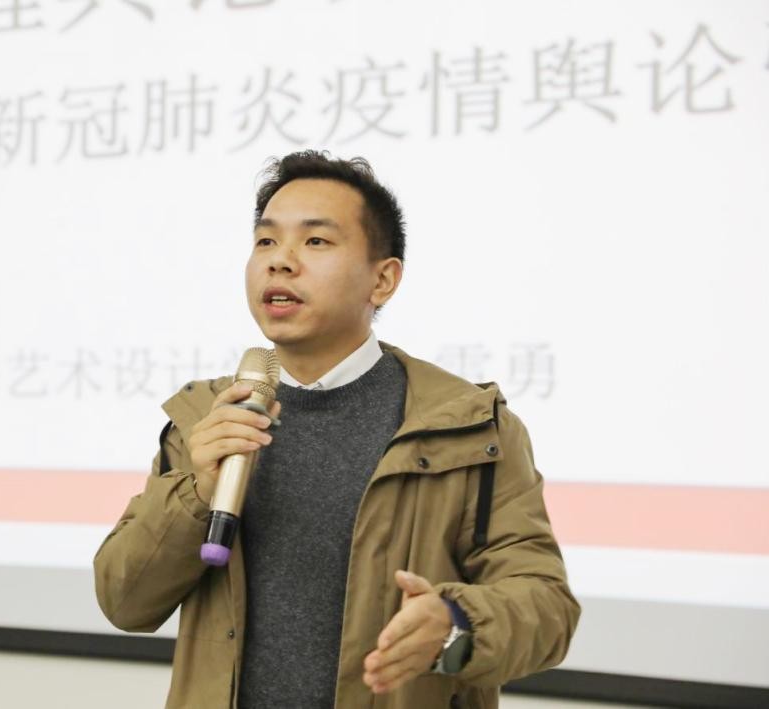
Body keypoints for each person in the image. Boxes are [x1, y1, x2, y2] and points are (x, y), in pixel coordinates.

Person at [94, 150, 580, 708]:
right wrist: (196, 494)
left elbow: (548, 609)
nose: (280, 261)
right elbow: (124, 601)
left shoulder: (467, 425)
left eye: (316, 241)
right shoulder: (207, 420)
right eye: (266, 241)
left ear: (383, 279)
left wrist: (455, 622)